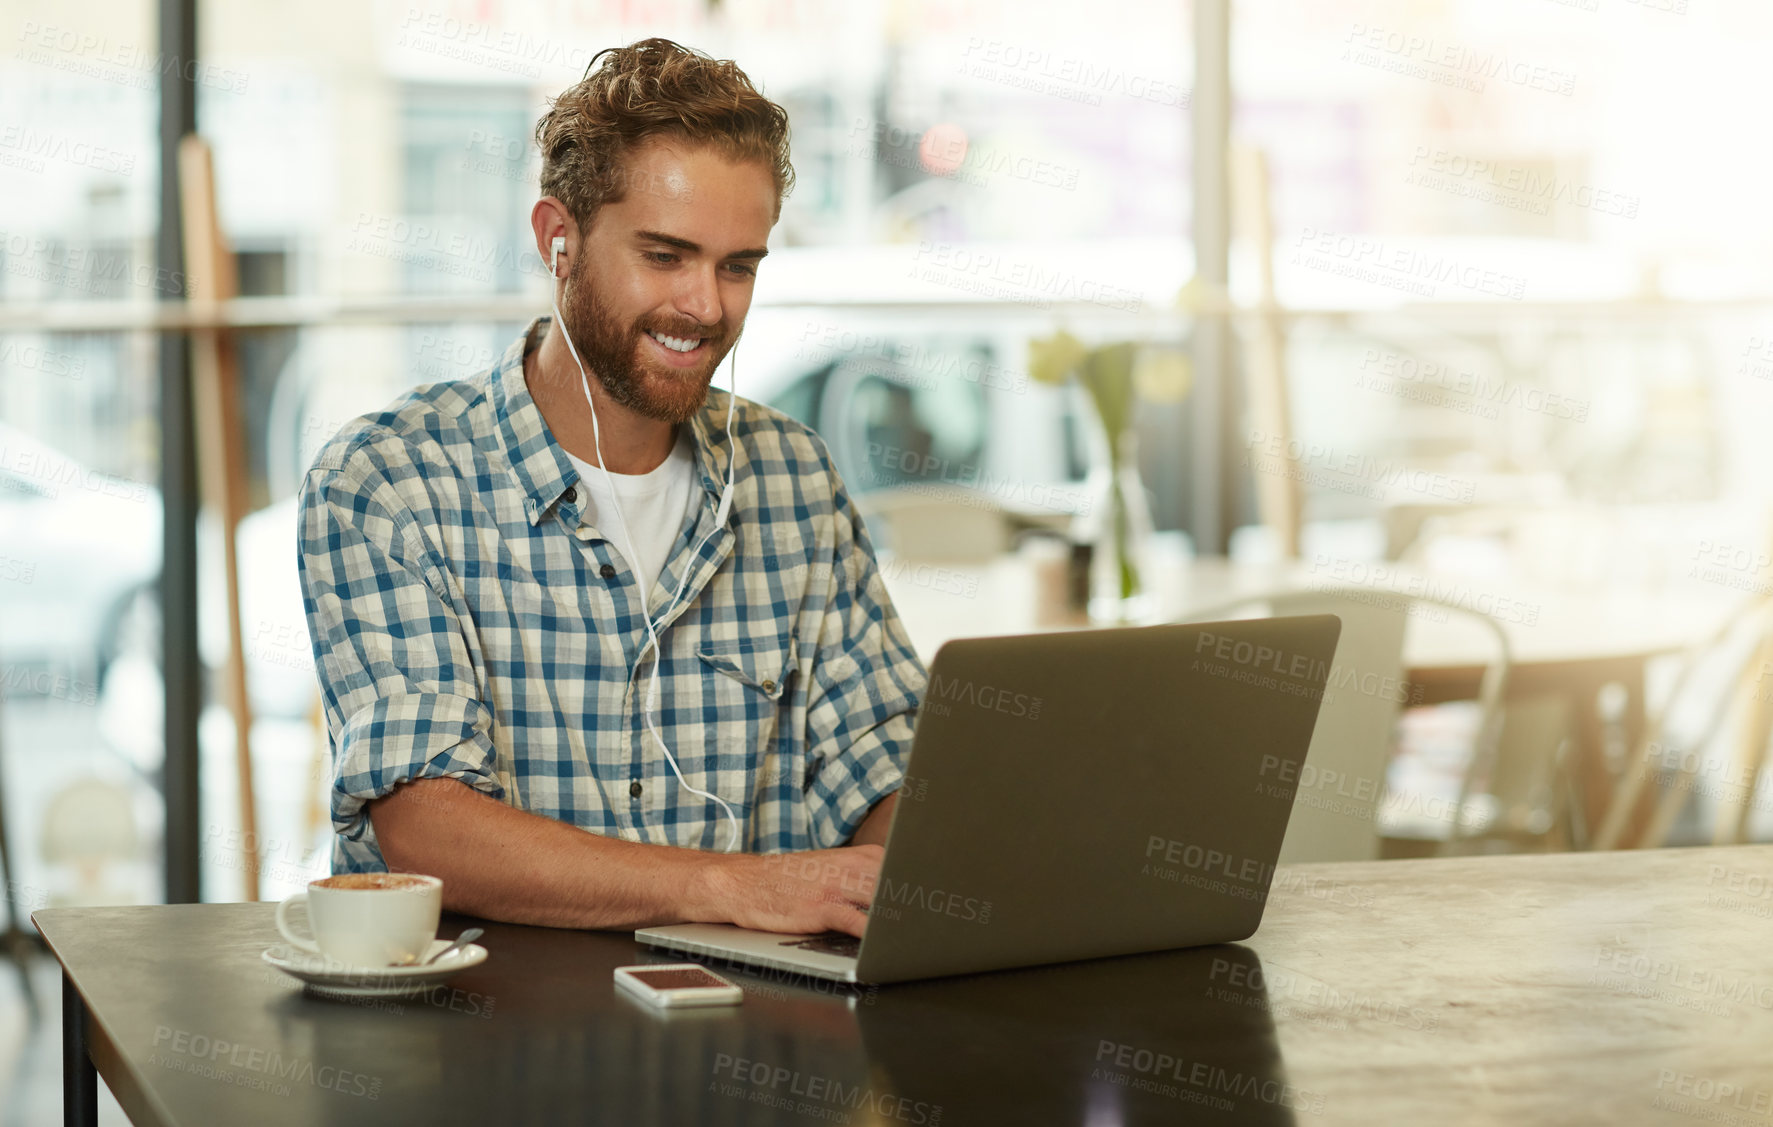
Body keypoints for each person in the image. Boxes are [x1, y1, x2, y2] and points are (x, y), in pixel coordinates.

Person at [298, 38, 925, 940]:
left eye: (737, 264)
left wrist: (916, 873)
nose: (706, 306)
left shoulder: (793, 478)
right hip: (483, 1045)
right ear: (558, 240)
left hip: (763, 1045)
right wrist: (737, 887)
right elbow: (425, 827)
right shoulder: (390, 481)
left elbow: (886, 768)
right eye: (665, 255)